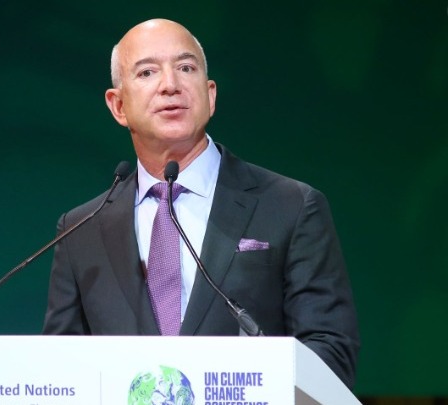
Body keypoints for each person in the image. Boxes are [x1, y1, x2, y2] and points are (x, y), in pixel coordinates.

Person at [42, 18, 359, 389]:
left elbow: (330, 353)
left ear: (210, 96)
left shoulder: (292, 206)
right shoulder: (81, 230)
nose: (170, 85)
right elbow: (60, 374)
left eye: (186, 68)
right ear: (118, 105)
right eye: (147, 72)